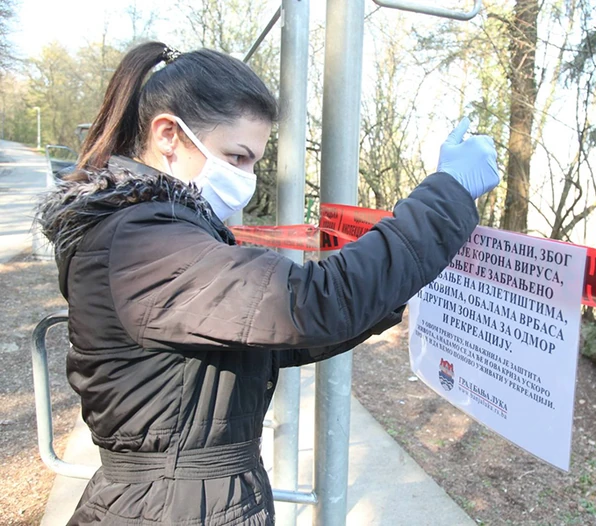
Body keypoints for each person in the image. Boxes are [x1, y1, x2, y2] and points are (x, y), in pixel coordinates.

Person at [37, 41, 499, 526]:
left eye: (254, 161)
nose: (247, 178)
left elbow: (260, 342)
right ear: (169, 135)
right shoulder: (141, 243)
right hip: (170, 508)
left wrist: (393, 286)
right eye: (236, 157)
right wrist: (447, 194)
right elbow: (309, 301)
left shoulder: (158, 231)